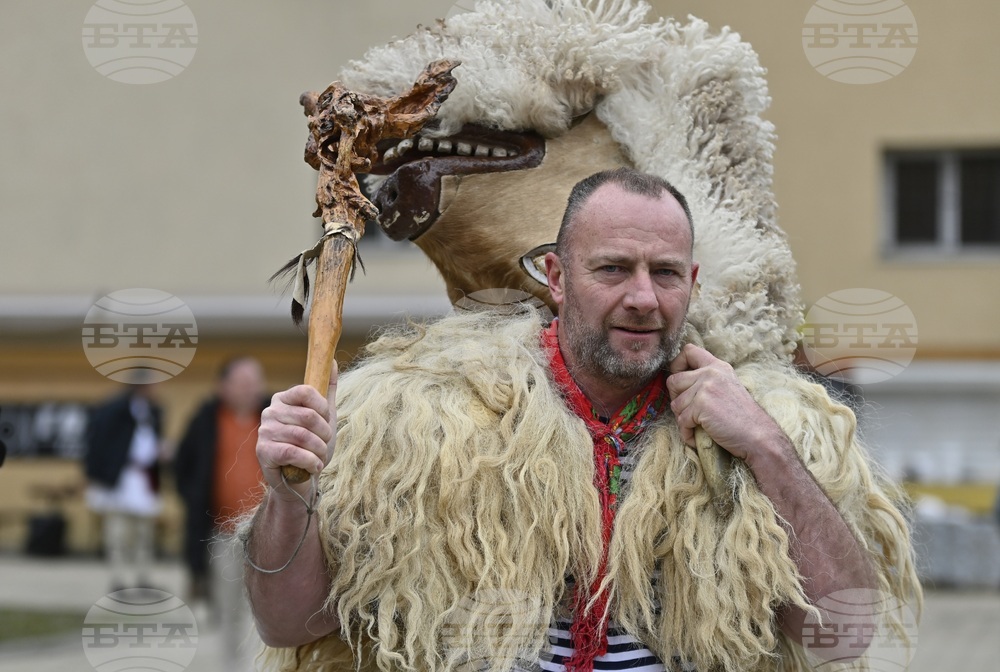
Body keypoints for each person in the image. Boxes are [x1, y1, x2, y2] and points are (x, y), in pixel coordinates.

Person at [242, 168, 918, 672]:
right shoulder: (422, 417)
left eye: (667, 273)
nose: (644, 298)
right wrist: (289, 495)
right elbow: (289, 623)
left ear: (694, 281)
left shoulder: (768, 423)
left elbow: (842, 632)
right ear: (556, 276)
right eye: (614, 269)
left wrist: (766, 446)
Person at [174, 356, 268, 668]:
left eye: (254, 382)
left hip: (270, 533)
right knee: (229, 608)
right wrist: (194, 500)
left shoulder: (272, 417)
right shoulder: (206, 420)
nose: (250, 390)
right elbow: (181, 466)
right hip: (224, 534)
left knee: (267, 610)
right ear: (223, 386)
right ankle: (233, 666)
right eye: (243, 383)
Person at [84, 382, 164, 592]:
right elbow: (100, 441)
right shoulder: (116, 410)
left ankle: (143, 576)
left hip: (143, 477)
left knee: (144, 532)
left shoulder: (153, 412)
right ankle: (118, 578)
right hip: (121, 477)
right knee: (118, 532)